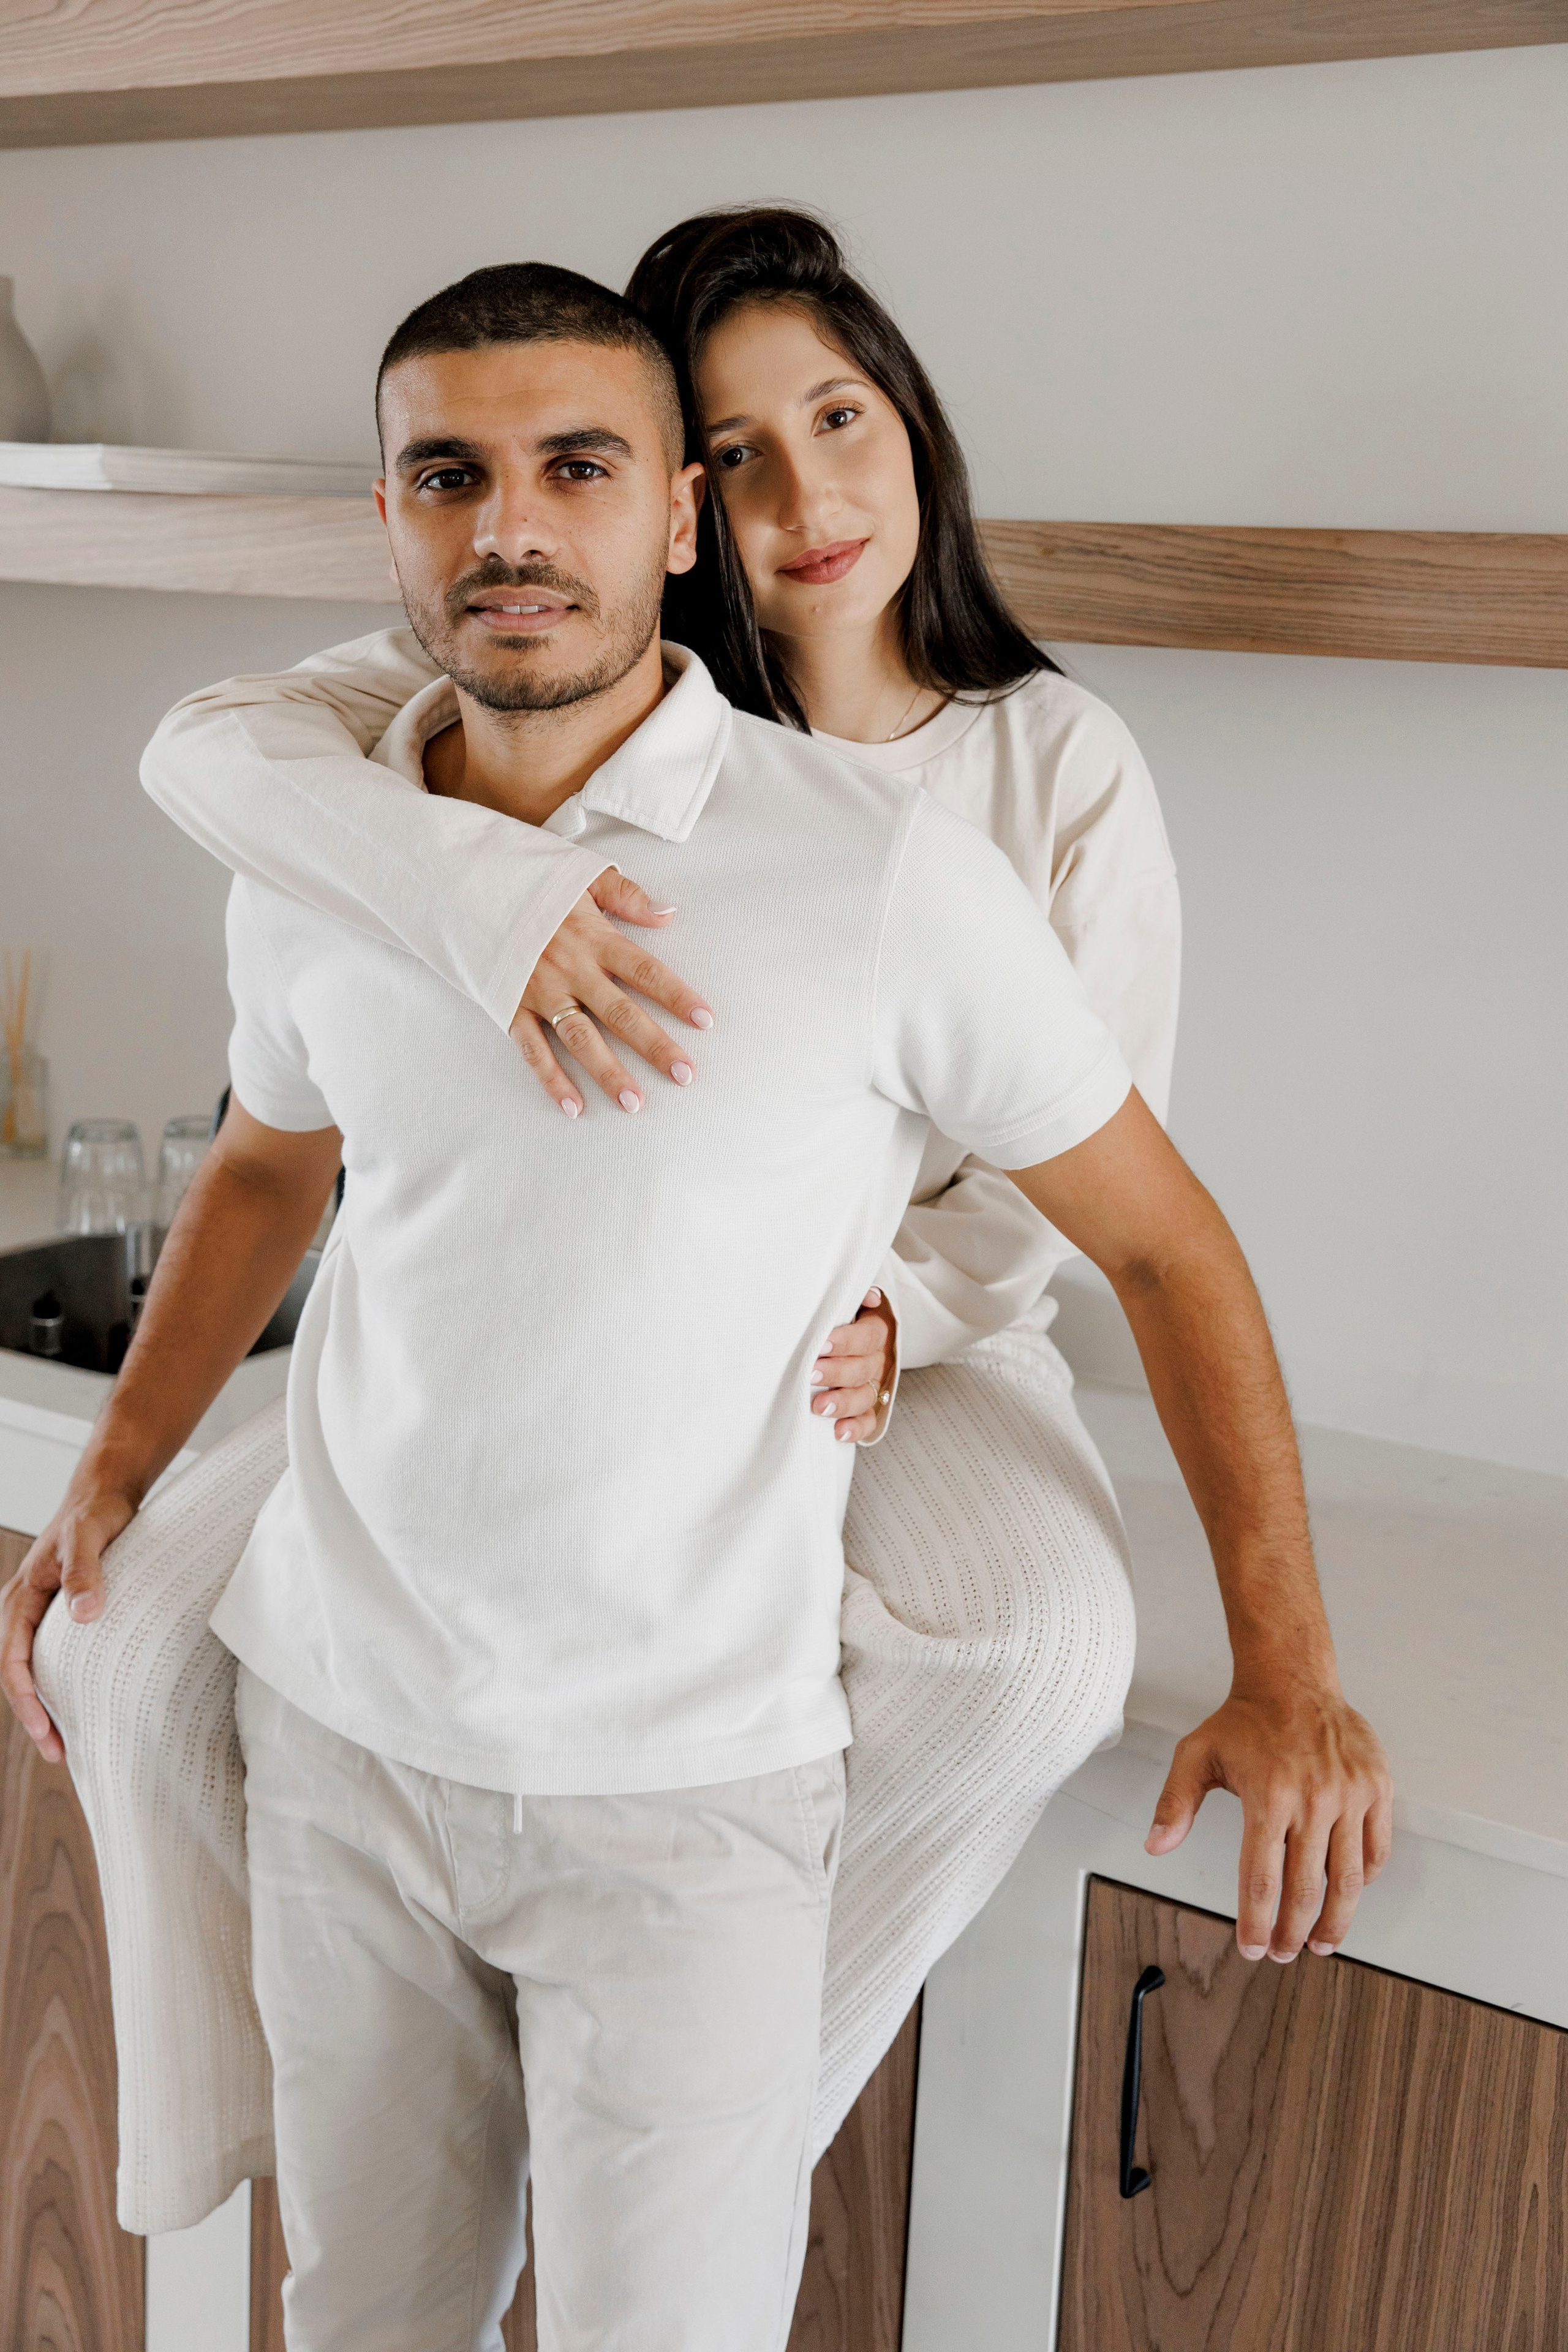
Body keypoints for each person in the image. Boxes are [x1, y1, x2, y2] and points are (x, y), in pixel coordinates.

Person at [2, 258, 1388, 2348]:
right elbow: (274, 1155)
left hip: (680, 1807)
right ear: (387, 525)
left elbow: (1167, 1242)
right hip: (346, 1753)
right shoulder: (328, 844)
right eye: (447, 476)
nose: (508, 527)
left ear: (670, 522)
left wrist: (1286, 1666)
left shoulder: (889, 866)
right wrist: (118, 1461)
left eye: (577, 465)